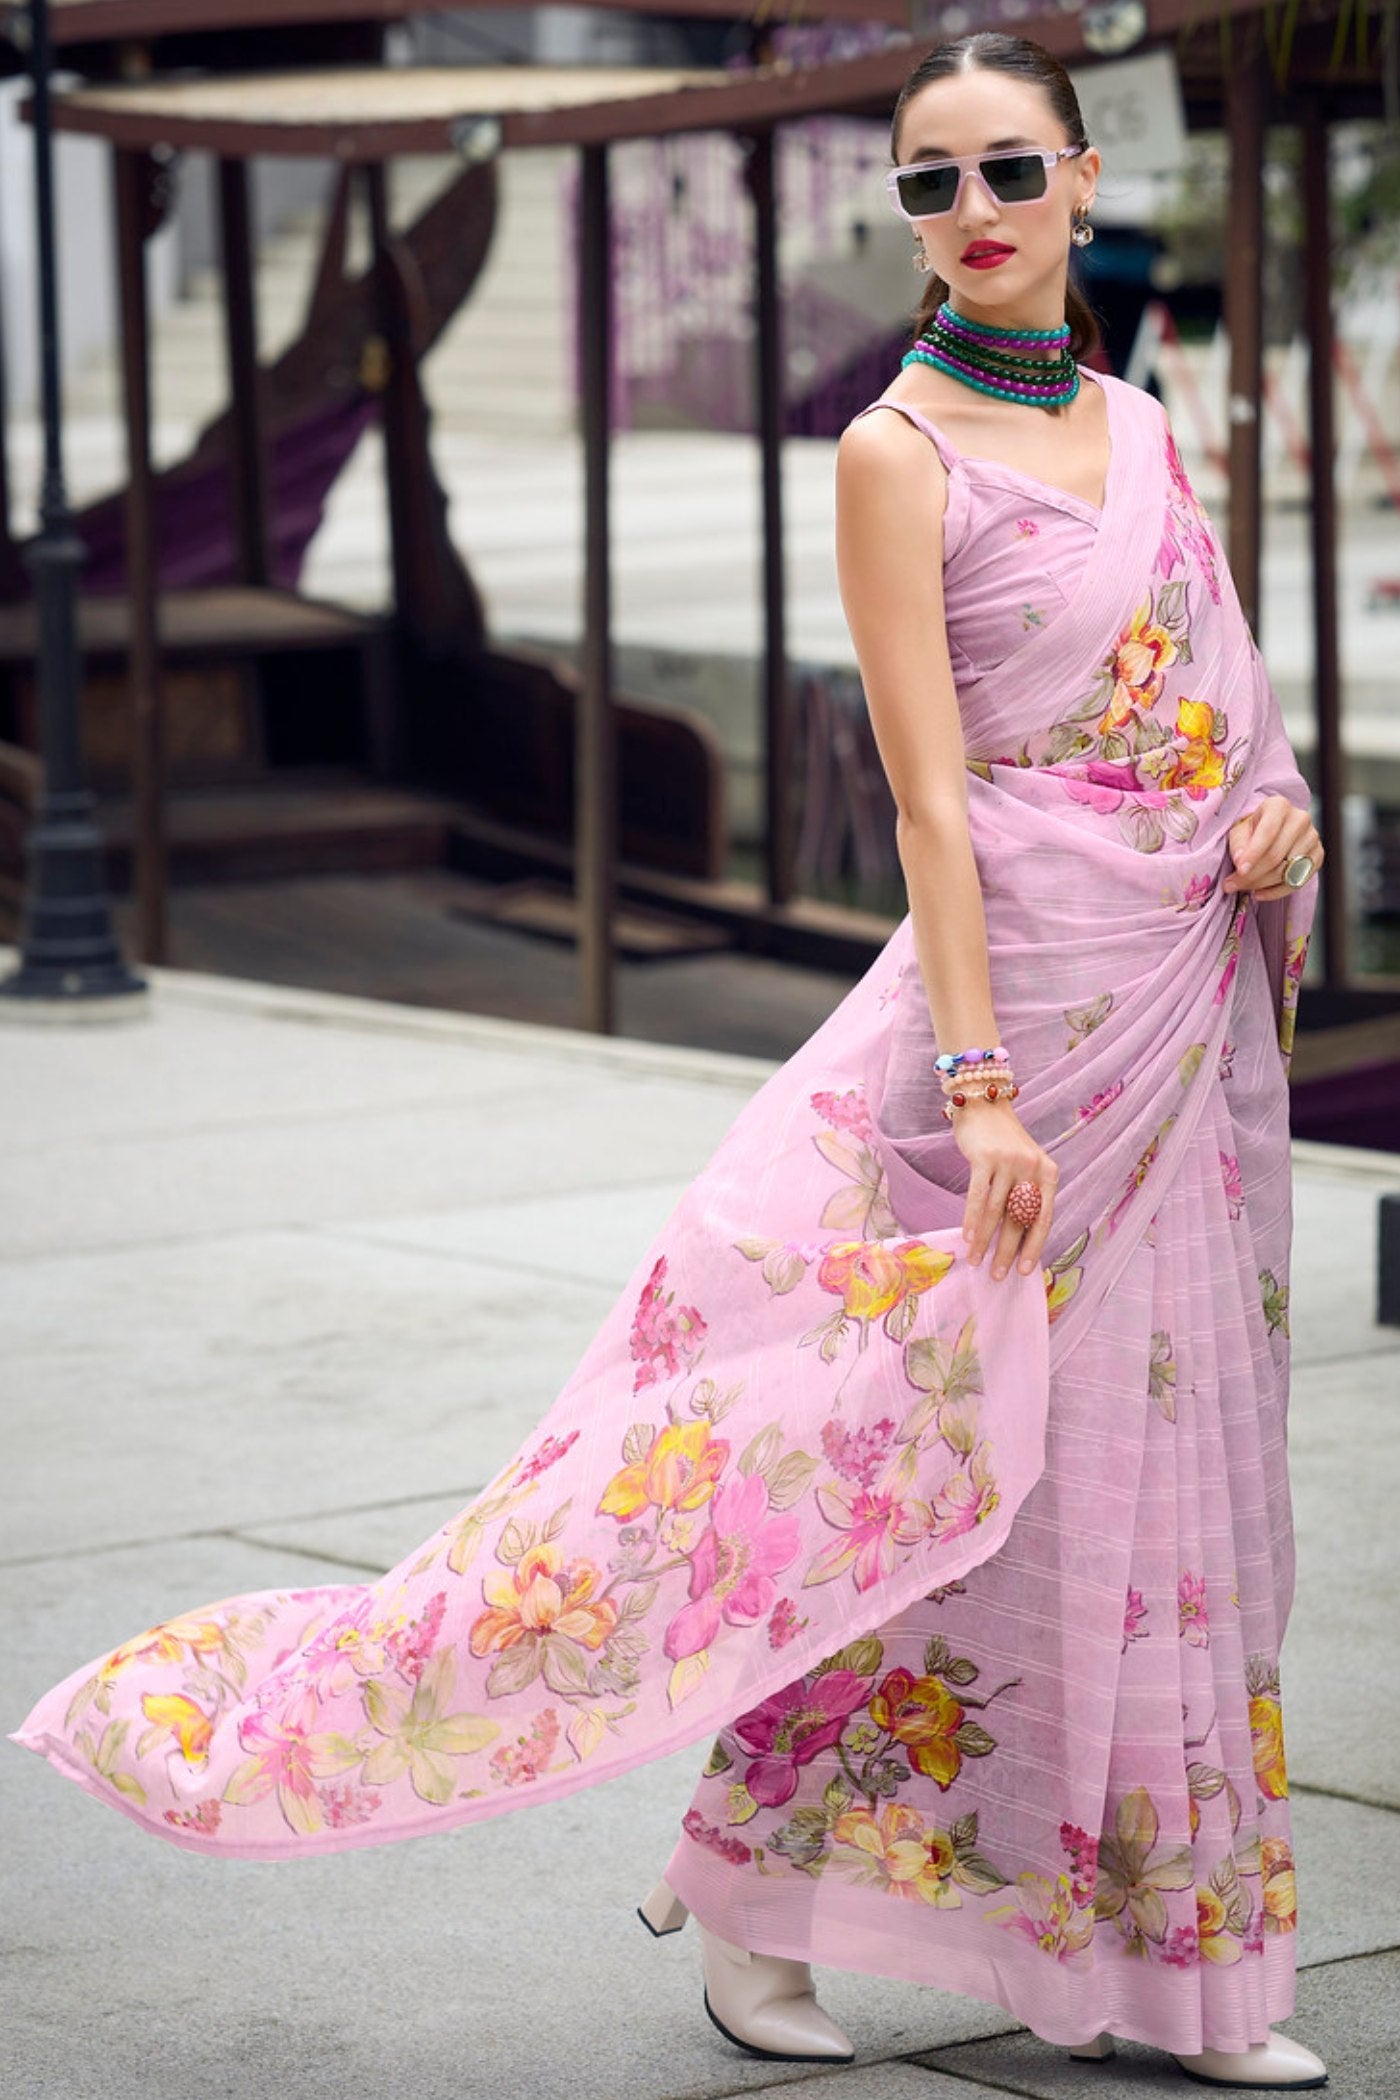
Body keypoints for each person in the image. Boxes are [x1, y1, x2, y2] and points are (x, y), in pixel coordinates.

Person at [12, 29, 1326, 2095]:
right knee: (905, 1506)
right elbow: (925, 801)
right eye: (926, 186)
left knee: (1141, 1498)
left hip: (1177, 1021)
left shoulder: (1152, 437)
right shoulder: (896, 450)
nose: (971, 215)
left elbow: (1227, 723)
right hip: (1010, 1044)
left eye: (1005, 173)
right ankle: (747, 1904)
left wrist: (1281, 820)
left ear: (1080, 184)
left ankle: (1173, 1967)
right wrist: (975, 1086)